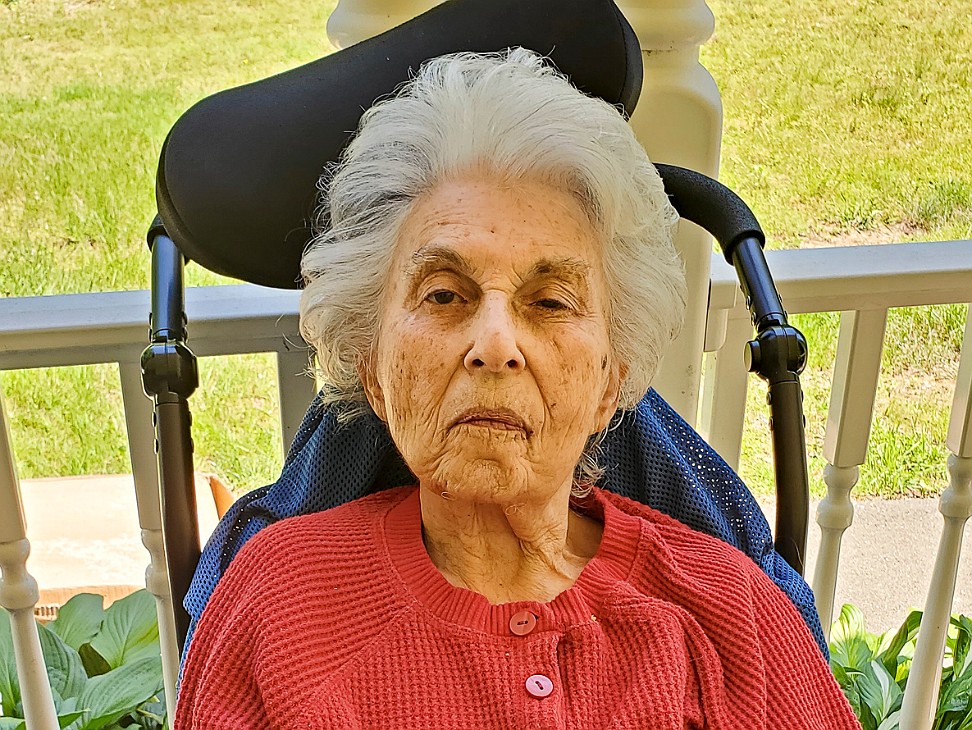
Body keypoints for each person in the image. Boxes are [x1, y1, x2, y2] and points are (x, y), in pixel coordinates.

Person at [174, 49, 859, 728]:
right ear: (372, 371)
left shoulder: (731, 616)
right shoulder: (276, 605)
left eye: (551, 301)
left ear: (607, 385)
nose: (496, 344)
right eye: (444, 294)